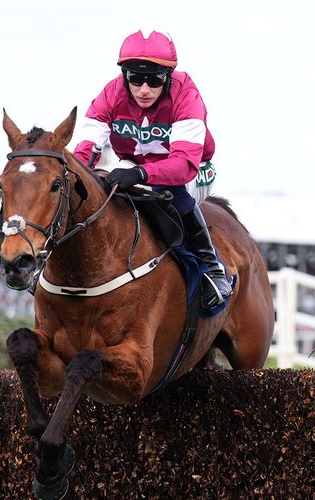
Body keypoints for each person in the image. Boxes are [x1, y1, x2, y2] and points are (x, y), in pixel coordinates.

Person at [73, 30, 231, 312]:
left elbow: (183, 164)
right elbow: (85, 149)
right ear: (125, 76)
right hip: (135, 163)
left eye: (155, 79)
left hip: (192, 169)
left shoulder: (187, 96)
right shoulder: (110, 95)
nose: (144, 89)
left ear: (168, 76)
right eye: (135, 77)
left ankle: (213, 269)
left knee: (168, 194)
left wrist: (141, 175)